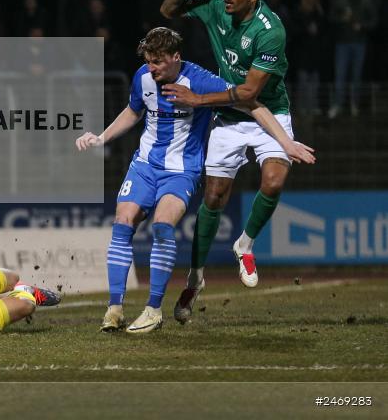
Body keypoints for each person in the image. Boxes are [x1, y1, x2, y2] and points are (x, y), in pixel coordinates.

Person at [75, 27, 313, 333]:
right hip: (144, 165)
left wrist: (286, 142)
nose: (152, 68)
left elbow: (252, 103)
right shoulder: (143, 78)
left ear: (176, 57)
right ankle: (115, 308)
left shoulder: (200, 81)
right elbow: (134, 111)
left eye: (158, 61)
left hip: (182, 170)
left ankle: (153, 310)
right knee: (123, 223)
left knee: (162, 225)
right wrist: (102, 137)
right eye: (148, 61)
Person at [159, 0, 314, 322]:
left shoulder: (270, 31)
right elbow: (168, 11)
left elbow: (249, 94)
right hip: (228, 118)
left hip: (266, 114)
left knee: (275, 181)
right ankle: (195, 278)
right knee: (213, 196)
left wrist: (198, 99)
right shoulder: (215, 5)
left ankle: (245, 242)